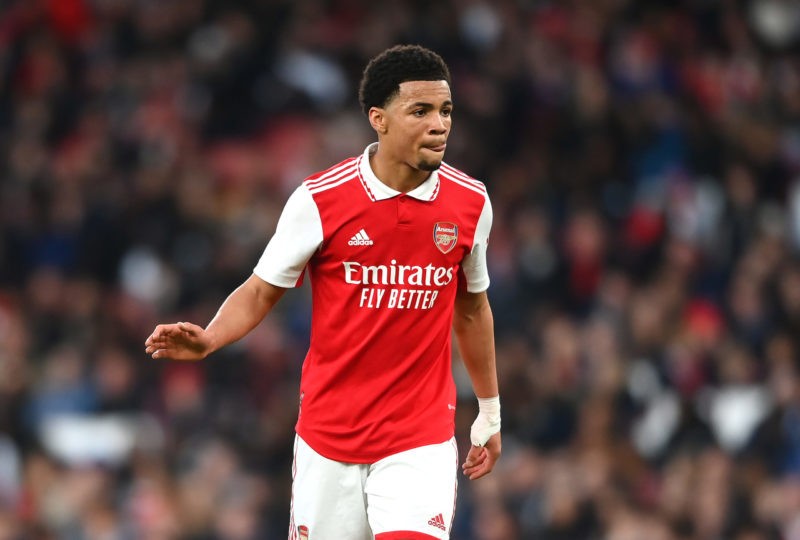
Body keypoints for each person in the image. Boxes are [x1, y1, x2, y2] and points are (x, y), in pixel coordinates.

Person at [145, 44, 501, 540]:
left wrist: (489, 410)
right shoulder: (321, 199)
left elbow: (472, 308)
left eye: (445, 111)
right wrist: (209, 339)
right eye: (419, 111)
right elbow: (260, 290)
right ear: (378, 118)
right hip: (328, 437)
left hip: (418, 437)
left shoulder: (470, 202)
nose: (439, 124)